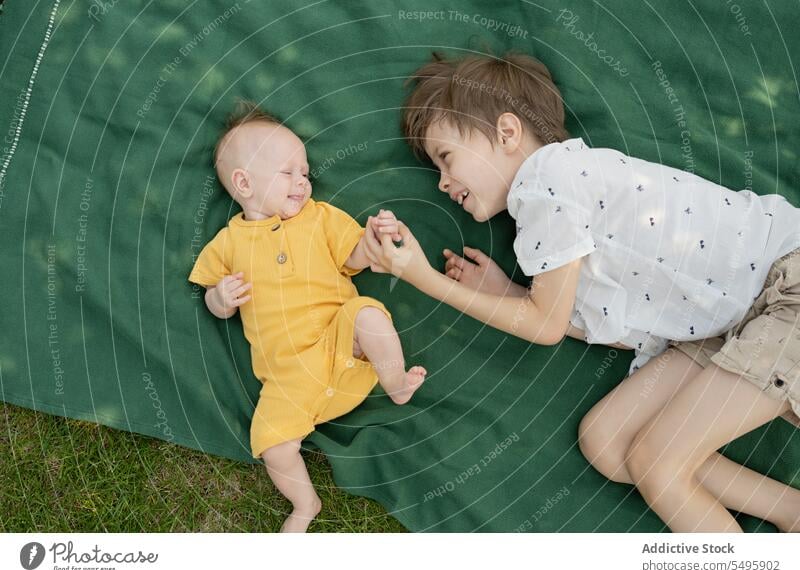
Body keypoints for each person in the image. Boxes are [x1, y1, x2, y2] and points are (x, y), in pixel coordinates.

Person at [365, 51, 800, 532]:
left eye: (446, 158)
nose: (444, 183)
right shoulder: (557, 222)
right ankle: (790, 511)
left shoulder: (548, 181)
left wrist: (421, 276)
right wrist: (510, 293)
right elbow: (601, 326)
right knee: (607, 439)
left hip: (785, 291)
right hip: (726, 326)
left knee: (660, 464)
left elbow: (546, 325)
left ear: (508, 133)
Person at [189, 101, 426, 532]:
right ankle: (304, 504)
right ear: (243, 183)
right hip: (289, 380)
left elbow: (354, 255)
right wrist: (220, 299)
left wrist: (373, 243)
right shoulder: (228, 243)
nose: (302, 181)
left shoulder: (320, 219)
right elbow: (210, 296)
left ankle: (395, 383)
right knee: (272, 443)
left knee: (367, 313)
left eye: (304, 172)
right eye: (287, 172)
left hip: (345, 348)